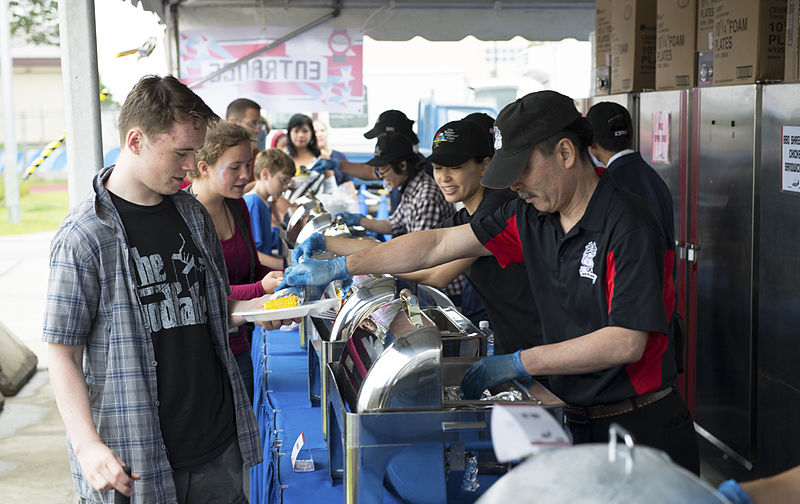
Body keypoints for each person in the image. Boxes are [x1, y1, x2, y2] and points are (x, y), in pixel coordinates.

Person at [277, 90, 700, 474]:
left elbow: (625, 341)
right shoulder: (530, 216)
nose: (515, 183)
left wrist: (518, 362)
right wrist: (342, 265)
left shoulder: (629, 224)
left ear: (566, 152)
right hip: (571, 417)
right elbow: (437, 244)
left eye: (523, 169)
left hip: (636, 429)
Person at [43, 75, 277, 503]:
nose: (192, 166)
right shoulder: (84, 237)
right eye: (182, 152)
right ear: (136, 141)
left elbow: (207, 308)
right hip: (135, 453)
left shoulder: (192, 214)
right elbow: (61, 351)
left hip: (216, 443)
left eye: (196, 152)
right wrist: (86, 444)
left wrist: (257, 308)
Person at [295, 119, 542, 354]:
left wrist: (346, 266)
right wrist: (325, 243)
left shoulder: (498, 210)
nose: (444, 178)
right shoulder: (465, 215)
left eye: (455, 167)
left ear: (485, 166)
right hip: (509, 335)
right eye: (438, 168)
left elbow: (437, 272)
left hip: (532, 340)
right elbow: (407, 246)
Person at [185, 121, 284, 403]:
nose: (245, 175)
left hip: (239, 342)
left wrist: (289, 275)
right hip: (205, 353)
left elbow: (252, 269)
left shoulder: (236, 204)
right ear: (203, 167)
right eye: (235, 167)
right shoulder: (185, 217)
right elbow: (201, 294)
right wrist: (261, 289)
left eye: (249, 165)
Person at [244, 148, 296, 269]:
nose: (285, 187)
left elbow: (268, 241)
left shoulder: (265, 203)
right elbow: (253, 254)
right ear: (265, 175)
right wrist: (287, 266)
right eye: (283, 181)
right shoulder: (253, 203)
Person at [314, 119, 354, 187]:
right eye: (315, 132)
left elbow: (349, 184)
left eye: (322, 130)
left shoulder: (340, 157)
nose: (319, 134)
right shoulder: (308, 158)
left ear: (327, 133)